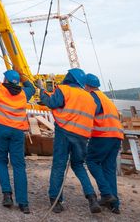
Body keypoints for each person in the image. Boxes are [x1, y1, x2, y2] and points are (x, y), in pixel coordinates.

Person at [39, 68, 101, 214]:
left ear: (69, 77)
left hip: (65, 132)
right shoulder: (89, 97)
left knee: (59, 166)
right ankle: (92, 198)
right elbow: (95, 111)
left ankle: (56, 201)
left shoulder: (64, 89)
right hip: (82, 136)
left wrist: (42, 90)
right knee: (79, 165)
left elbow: (52, 103)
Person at [0, 47, 35, 214]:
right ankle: (23, 203)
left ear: (5, 80)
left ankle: (7, 195)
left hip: (0, 130)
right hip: (17, 132)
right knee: (19, 166)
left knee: (0, 161)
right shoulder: (24, 94)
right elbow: (32, 88)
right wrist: (22, 74)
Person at [84, 73, 123, 214]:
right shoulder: (105, 98)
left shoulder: (93, 96)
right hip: (116, 136)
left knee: (92, 161)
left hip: (103, 135)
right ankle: (114, 205)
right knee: (108, 169)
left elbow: (91, 113)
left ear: (86, 85)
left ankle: (106, 193)